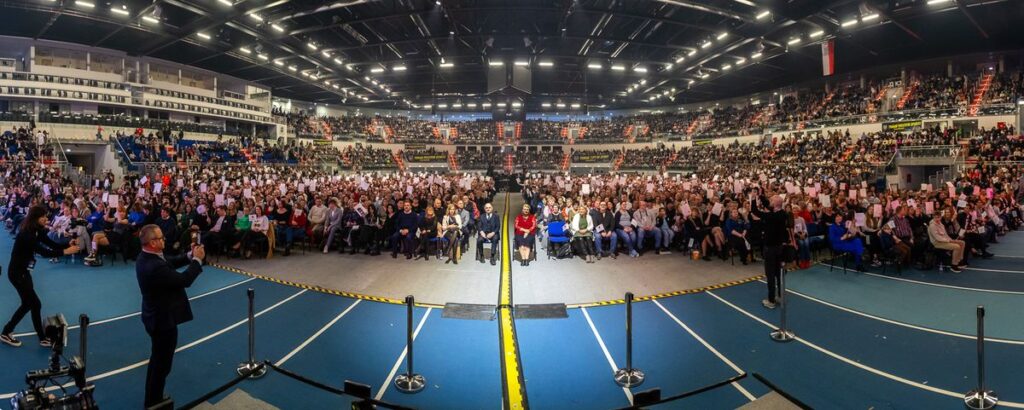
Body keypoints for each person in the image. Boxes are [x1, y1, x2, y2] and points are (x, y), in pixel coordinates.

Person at [135, 224, 205, 407]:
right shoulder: (154, 267)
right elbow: (184, 280)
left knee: (156, 359)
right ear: (152, 242)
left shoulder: (147, 257)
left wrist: (189, 255)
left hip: (154, 316)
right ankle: (154, 401)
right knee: (162, 365)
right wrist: (197, 261)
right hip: (162, 321)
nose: (164, 240)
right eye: (161, 238)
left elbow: (169, 261)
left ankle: (152, 397)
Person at [1, 206, 80, 347]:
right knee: (34, 304)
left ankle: (17, 333)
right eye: (43, 216)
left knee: (29, 304)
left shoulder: (38, 230)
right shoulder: (27, 234)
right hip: (17, 273)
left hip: (24, 272)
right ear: (35, 218)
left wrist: (67, 244)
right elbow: (44, 252)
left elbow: (50, 243)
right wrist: (65, 252)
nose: (46, 218)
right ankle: (9, 332)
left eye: (46, 216)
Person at [750, 195, 793, 310]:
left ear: (774, 204)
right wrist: (761, 196)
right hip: (779, 248)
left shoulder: (771, 216)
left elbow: (754, 210)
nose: (770, 202)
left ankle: (771, 300)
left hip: (770, 249)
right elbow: (769, 206)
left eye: (772, 200)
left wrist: (753, 199)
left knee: (770, 274)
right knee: (779, 274)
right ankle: (780, 296)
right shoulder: (782, 213)